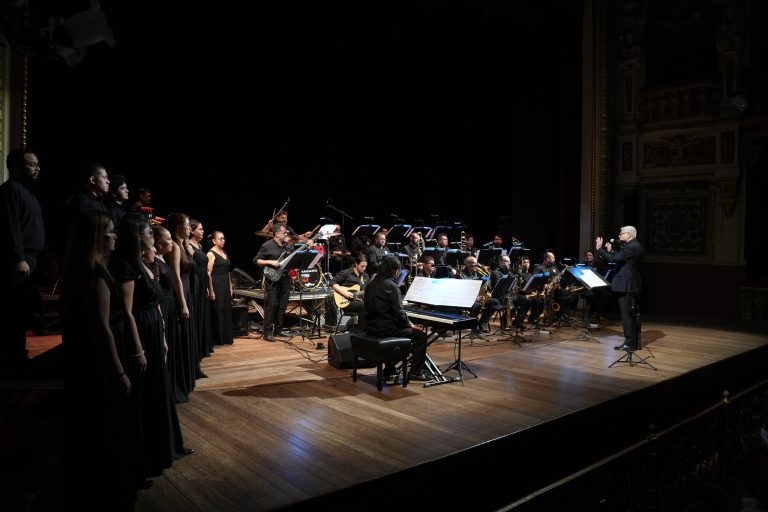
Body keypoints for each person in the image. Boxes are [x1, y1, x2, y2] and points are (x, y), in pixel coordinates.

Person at [0, 148, 45, 378]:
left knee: (23, 313)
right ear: (16, 167)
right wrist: (18, 258)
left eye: (37, 164)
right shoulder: (10, 191)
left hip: (31, 259)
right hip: (21, 261)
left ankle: (18, 357)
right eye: (32, 164)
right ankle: (12, 362)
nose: (37, 168)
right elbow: (10, 227)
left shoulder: (28, 191)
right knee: (14, 314)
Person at [364, 255, 429, 381]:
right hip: (384, 329)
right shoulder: (391, 286)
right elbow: (399, 313)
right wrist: (409, 324)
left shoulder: (372, 283)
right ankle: (415, 372)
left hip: (371, 326)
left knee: (403, 330)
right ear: (395, 270)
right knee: (420, 336)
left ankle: (390, 368)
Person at [596, 226, 644, 351]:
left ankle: (630, 343)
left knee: (627, 315)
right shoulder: (634, 246)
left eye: (621, 233)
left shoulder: (632, 246)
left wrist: (599, 250)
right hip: (628, 284)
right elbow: (621, 257)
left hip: (626, 285)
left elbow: (614, 260)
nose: (619, 235)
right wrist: (611, 251)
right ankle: (633, 342)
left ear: (629, 235)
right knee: (629, 315)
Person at [254, 222, 293, 341]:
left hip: (285, 278)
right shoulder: (267, 245)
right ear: (276, 234)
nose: (286, 234)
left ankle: (279, 330)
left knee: (282, 306)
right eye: (284, 232)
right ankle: (268, 332)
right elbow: (256, 260)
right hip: (272, 279)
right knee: (270, 306)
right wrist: (270, 262)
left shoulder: (287, 246)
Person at [326, 254, 369, 329]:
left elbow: (367, 290)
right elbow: (332, 283)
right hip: (346, 302)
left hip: (359, 300)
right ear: (356, 264)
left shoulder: (365, 276)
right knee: (364, 306)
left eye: (365, 266)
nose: (364, 268)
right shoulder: (346, 273)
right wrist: (345, 293)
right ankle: (362, 330)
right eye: (362, 266)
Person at [207, 231, 234, 345]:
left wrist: (230, 286)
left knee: (225, 310)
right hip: (216, 285)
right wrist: (211, 290)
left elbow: (228, 271)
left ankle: (226, 337)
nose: (223, 241)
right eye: (220, 239)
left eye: (223, 238)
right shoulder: (211, 254)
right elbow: (208, 273)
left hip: (225, 285)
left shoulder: (224, 252)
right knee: (217, 311)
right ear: (214, 241)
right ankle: (218, 339)